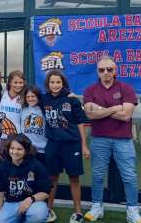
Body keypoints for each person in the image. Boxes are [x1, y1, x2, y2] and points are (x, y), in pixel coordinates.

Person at [83, 56, 141, 223]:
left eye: (109, 69)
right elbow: (89, 114)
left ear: (115, 70)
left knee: (129, 176)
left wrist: (99, 110)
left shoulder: (126, 88)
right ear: (97, 71)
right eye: (102, 70)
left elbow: (126, 116)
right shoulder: (90, 90)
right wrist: (114, 108)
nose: (106, 73)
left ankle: (132, 211)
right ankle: (97, 207)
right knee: (97, 175)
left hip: (123, 139)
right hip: (99, 139)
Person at [42, 70, 89, 223]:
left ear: (63, 84)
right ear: (48, 84)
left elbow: (80, 123)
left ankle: (78, 212)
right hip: (53, 144)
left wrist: (84, 146)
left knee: (74, 177)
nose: (55, 85)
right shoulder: (44, 99)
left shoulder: (72, 100)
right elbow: (27, 97)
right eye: (52, 82)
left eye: (58, 82)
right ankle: (48, 210)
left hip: (71, 144)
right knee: (52, 178)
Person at [0, 134, 50, 223]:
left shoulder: (36, 165)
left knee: (38, 215)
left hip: (33, 202)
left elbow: (46, 192)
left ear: (26, 150)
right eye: (12, 148)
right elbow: (0, 195)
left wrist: (31, 199)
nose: (15, 152)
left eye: (19, 149)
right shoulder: (3, 167)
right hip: (11, 203)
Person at [0, 70, 25, 155]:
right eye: (15, 82)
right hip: (0, 137)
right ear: (9, 83)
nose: (18, 85)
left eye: (21, 82)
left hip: (17, 138)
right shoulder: (2, 93)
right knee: (0, 163)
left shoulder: (25, 97)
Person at [20, 85, 46, 166]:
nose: (30, 99)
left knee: (42, 175)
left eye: (33, 96)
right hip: (28, 150)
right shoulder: (23, 109)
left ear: (38, 96)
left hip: (42, 151)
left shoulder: (44, 109)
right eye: (28, 97)